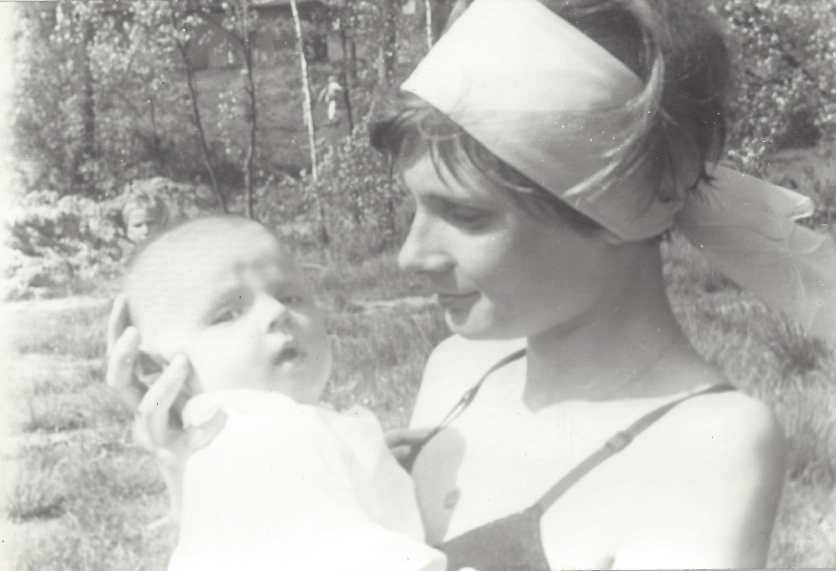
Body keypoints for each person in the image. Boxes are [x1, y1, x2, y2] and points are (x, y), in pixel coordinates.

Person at [108, 0, 836, 569]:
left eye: (465, 215)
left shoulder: (707, 443)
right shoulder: (460, 371)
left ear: (625, 207)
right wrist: (201, 457)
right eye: (415, 208)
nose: (411, 255)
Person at [123, 216, 445, 571]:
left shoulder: (251, 437)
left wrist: (363, 466)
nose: (277, 312)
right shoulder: (269, 438)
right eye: (228, 313)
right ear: (161, 370)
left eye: (290, 297)